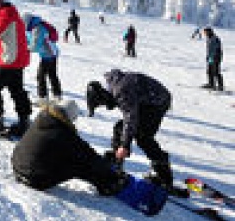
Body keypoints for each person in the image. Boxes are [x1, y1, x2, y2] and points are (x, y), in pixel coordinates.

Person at [11, 100, 167, 217]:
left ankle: (108, 179)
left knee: (70, 157)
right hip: (35, 178)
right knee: (82, 164)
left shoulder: (43, 120)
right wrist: (107, 168)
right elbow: (86, 154)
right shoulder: (62, 133)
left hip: (18, 166)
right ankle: (111, 184)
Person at [86, 69, 175, 193]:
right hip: (147, 100)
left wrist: (124, 145)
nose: (106, 107)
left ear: (103, 95)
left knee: (143, 137)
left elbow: (130, 118)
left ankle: (164, 178)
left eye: (102, 103)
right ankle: (116, 166)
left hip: (157, 103)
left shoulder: (121, 91)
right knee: (120, 128)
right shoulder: (112, 83)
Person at [0, 0, 31, 136]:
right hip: (17, 61)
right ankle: (24, 121)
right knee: (17, 91)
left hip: (9, 61)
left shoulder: (4, 15)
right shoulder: (13, 14)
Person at [23, 13, 62, 106]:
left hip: (49, 54)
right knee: (51, 75)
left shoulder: (38, 29)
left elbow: (35, 46)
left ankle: (43, 98)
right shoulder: (33, 28)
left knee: (41, 76)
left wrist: (25, 48)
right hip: (49, 53)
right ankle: (57, 96)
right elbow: (29, 40)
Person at [202, 27, 224, 91]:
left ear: (209, 32)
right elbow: (210, 49)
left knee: (216, 71)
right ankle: (211, 84)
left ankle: (220, 86)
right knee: (209, 71)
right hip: (211, 57)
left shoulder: (215, 38)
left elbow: (215, 49)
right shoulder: (209, 38)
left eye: (205, 32)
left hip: (216, 57)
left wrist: (212, 57)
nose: (205, 34)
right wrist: (208, 56)